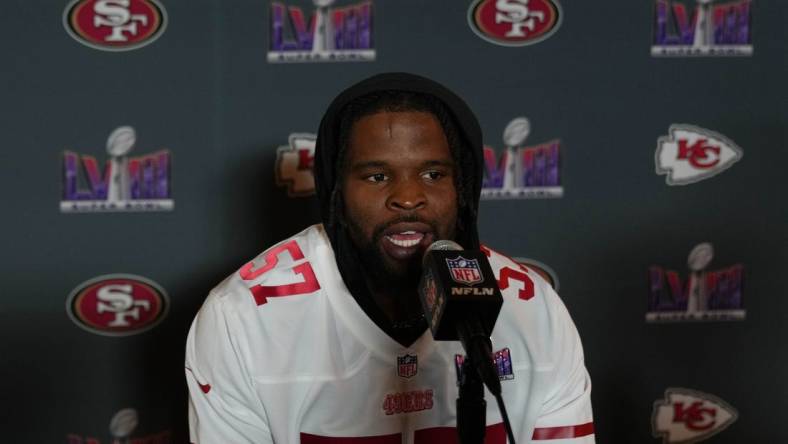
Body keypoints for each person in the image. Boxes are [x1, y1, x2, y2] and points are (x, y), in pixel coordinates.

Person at [185, 72, 595, 443]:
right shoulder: (242, 318)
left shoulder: (533, 308)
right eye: (377, 176)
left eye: (434, 174)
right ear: (336, 195)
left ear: (464, 190)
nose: (408, 197)